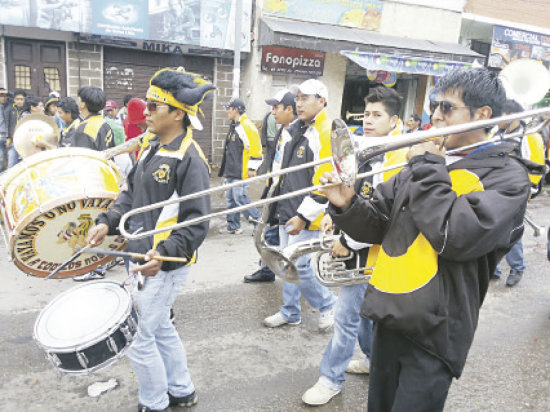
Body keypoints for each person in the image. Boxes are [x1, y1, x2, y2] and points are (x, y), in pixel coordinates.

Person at [319, 67, 537, 411]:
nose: (435, 115)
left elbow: (455, 236)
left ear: (483, 115)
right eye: (435, 105)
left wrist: (429, 166)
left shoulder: (508, 177)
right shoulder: (425, 164)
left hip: (437, 328)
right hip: (391, 312)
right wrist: (346, 202)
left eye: (447, 108)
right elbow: (377, 225)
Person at [86, 67, 215, 412]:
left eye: (155, 105)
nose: (145, 111)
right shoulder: (151, 146)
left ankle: (155, 402)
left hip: (162, 265)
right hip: (138, 255)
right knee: (159, 330)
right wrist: (107, 221)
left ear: (177, 113)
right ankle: (181, 389)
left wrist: (166, 253)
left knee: (137, 337)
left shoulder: (190, 158)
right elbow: (131, 196)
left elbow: (197, 221)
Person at [302, 86, 407, 406]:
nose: (369, 121)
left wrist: (346, 241)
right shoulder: (367, 148)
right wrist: (336, 217)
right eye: (366, 115)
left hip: (380, 250)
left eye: (377, 115)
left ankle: (330, 378)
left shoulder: (402, 155)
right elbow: (358, 191)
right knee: (361, 315)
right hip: (363, 244)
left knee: (348, 316)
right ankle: (372, 361)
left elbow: (386, 214)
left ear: (395, 120)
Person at [263, 79, 337, 331]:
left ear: (322, 101)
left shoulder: (327, 131)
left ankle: (328, 305)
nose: (299, 102)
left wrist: (304, 216)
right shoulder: (296, 128)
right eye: (298, 98)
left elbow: (325, 180)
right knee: (287, 267)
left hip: (308, 215)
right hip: (288, 207)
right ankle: (290, 311)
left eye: (306, 98)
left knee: (300, 267)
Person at [491, 99, 545, 287]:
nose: (497, 119)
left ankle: (517, 267)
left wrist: (526, 193)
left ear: (510, 115)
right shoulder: (497, 133)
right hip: (496, 188)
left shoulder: (529, 135)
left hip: (517, 191)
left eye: (501, 115)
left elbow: (538, 167)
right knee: (494, 229)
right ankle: (495, 269)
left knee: (512, 230)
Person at [244, 89, 296, 283]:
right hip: (274, 188)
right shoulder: (283, 130)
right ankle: (266, 270)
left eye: (277, 107)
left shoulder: (298, 133)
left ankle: (297, 283)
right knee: (269, 232)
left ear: (290, 109)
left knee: (281, 237)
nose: (273, 112)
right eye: (272, 108)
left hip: (286, 195)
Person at [71, 86, 115, 281]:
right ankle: (105, 262)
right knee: (101, 221)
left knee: (90, 225)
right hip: (105, 179)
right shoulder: (104, 123)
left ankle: (94, 268)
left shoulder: (83, 128)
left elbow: (80, 161)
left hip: (90, 183)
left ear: (82, 104)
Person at [218, 97, 262, 235]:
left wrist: (252, 168)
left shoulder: (246, 126)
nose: (226, 111)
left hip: (241, 171)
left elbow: (256, 147)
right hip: (232, 170)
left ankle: (258, 223)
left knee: (240, 198)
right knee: (231, 199)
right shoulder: (234, 125)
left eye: (228, 108)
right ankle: (234, 226)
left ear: (236, 110)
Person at [0, 88, 17, 171]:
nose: (3, 97)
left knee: (9, 162)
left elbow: (11, 124)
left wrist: (9, 137)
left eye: (5, 95)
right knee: (1, 160)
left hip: (7, 137)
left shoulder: (9, 106)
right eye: (1, 95)